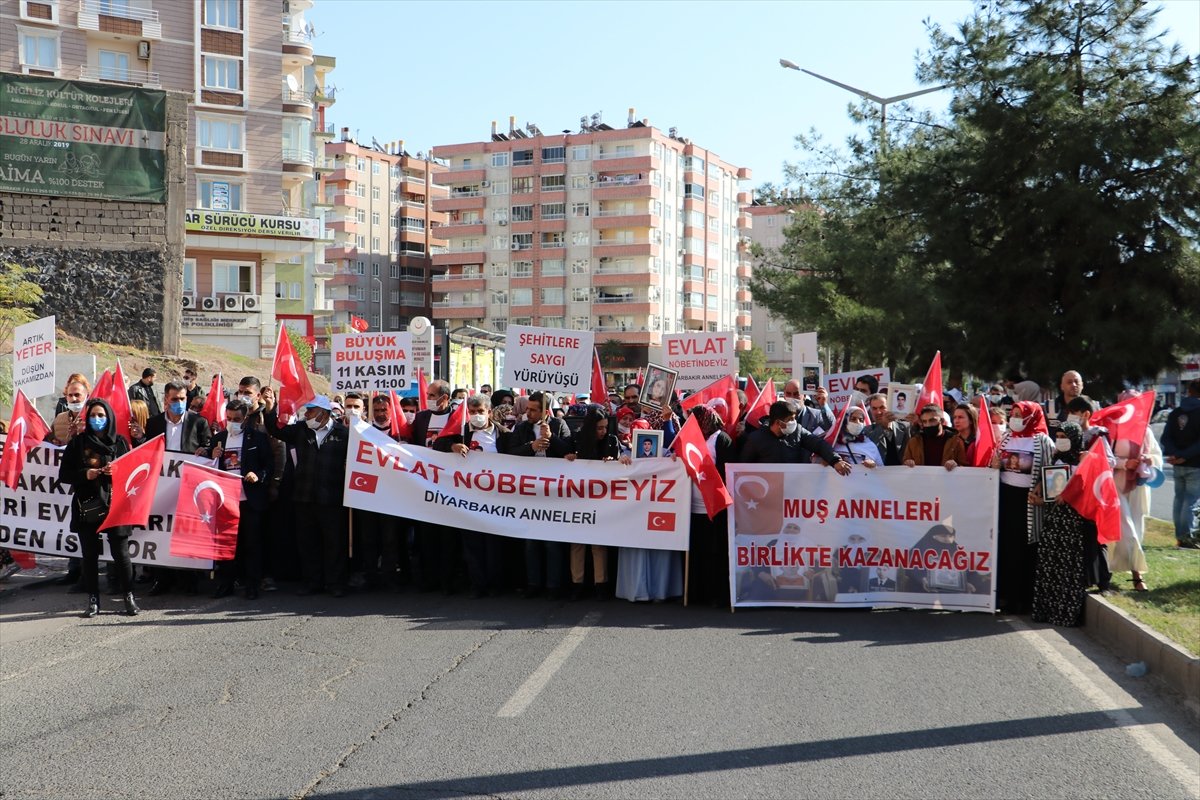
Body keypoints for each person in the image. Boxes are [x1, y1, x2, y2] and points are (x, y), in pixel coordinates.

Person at [57, 399, 140, 618]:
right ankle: (93, 600)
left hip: (116, 506)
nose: (97, 419)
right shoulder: (78, 443)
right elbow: (64, 475)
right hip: (88, 506)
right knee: (90, 555)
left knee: (121, 555)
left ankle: (129, 597)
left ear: (109, 417)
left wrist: (118, 472)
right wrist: (85, 474)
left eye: (101, 415)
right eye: (93, 415)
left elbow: (134, 473)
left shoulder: (120, 443)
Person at [265, 394, 351, 596]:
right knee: (307, 542)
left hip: (332, 499)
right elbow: (276, 429)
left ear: (324, 413)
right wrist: (270, 410)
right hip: (304, 497)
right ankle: (313, 582)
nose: (307, 414)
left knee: (334, 543)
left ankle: (335, 583)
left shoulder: (344, 434)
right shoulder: (301, 431)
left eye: (311, 411)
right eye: (307, 411)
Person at [435, 395, 509, 598]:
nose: (476, 416)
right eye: (473, 412)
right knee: (472, 545)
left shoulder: (503, 435)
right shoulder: (460, 433)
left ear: (489, 413)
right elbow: (437, 446)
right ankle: (478, 585)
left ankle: (496, 585)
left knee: (494, 544)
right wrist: (453, 446)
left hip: (496, 500)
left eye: (480, 412)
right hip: (468, 499)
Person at [143, 381, 212, 596]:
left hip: (187, 487)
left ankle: (188, 579)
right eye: (174, 399)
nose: (179, 403)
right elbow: (148, 449)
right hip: (162, 488)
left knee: (186, 532)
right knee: (161, 532)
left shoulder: (198, 422)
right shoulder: (154, 423)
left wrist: (206, 450)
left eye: (182, 399)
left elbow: (209, 447)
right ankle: (162, 579)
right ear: (165, 400)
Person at [204, 399, 273, 600]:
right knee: (226, 544)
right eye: (229, 418)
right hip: (225, 501)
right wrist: (212, 455)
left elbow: (269, 464)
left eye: (237, 419)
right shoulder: (219, 438)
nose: (233, 422)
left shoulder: (258, 438)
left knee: (252, 543)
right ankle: (226, 583)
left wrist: (258, 475)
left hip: (249, 499)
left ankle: (252, 584)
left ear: (245, 419)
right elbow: (208, 468)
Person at [991, 400, 1055, 614]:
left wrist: (1040, 487)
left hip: (1028, 502)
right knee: (1007, 545)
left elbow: (1052, 470)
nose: (1015, 418)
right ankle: (1005, 596)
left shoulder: (1042, 441)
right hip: (1006, 496)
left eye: (1020, 414)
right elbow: (996, 462)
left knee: (1025, 547)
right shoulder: (1007, 437)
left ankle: (1024, 599)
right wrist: (995, 465)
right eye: (1014, 413)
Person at [507, 392, 573, 599]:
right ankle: (533, 583)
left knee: (552, 542)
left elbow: (570, 450)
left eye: (534, 409)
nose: (529, 413)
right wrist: (532, 447)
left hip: (554, 492)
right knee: (531, 542)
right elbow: (511, 452)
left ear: (545, 411)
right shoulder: (521, 427)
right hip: (530, 492)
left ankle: (553, 585)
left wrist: (552, 438)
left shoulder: (560, 424)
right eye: (528, 408)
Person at [1032, 421, 1096, 626]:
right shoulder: (1056, 459)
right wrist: (1039, 493)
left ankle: (1064, 613)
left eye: (1064, 436)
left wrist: (1067, 496)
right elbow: (1050, 489)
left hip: (1073, 520)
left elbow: (1086, 488)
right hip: (1054, 518)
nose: (1060, 440)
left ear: (1075, 438)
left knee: (1068, 565)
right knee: (1050, 562)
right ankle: (1046, 610)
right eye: (1058, 436)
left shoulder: (1084, 459)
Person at [563, 405, 627, 600]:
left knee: (598, 544)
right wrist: (569, 457)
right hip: (578, 500)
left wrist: (616, 460)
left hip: (602, 502)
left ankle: (601, 584)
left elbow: (621, 464)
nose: (603, 431)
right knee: (577, 543)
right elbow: (562, 464)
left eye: (605, 427)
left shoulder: (611, 441)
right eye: (599, 428)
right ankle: (577, 584)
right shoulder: (576, 439)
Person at [679, 404, 734, 607]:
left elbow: (727, 472)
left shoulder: (721, 439)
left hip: (714, 507)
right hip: (691, 507)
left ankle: (716, 595)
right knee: (696, 552)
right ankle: (695, 594)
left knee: (715, 552)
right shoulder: (689, 439)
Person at [411, 380, 460, 593]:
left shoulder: (458, 417)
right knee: (427, 536)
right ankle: (428, 579)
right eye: (428, 394)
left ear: (445, 398)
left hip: (450, 486)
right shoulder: (421, 418)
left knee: (448, 537)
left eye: (432, 395)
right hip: (424, 484)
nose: (428, 398)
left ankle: (448, 581)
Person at [1109, 390, 1161, 593]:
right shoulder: (1112, 429)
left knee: (1136, 530)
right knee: (1123, 529)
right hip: (1117, 485)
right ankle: (1130, 573)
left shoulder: (1145, 430)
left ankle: (1134, 574)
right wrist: (1124, 463)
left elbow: (1158, 456)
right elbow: (1105, 456)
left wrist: (1149, 459)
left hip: (1139, 487)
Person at [740, 401, 852, 473]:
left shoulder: (797, 431)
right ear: (778, 422)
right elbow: (743, 467)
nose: (794, 422)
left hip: (793, 490)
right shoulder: (756, 439)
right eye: (790, 419)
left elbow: (818, 444)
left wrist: (835, 460)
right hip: (767, 493)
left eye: (794, 418)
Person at [1161, 379, 1200, 548]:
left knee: (1180, 500)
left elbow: (1166, 438)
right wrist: (1185, 456)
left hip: (1177, 463)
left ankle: (1180, 537)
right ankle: (1187, 539)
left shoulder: (1175, 412)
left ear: (1189, 391)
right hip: (1195, 463)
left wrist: (1176, 454)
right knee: (1191, 501)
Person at [902, 405, 966, 470]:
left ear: (941, 421)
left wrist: (956, 465)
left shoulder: (956, 442)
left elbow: (965, 467)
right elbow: (904, 464)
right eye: (924, 421)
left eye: (932, 420)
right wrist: (908, 463)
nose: (928, 424)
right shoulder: (914, 442)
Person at [864, 392, 909, 466]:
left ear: (890, 407)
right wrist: (884, 426)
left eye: (882, 407)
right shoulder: (867, 431)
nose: (878, 412)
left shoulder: (905, 427)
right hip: (879, 475)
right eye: (874, 409)